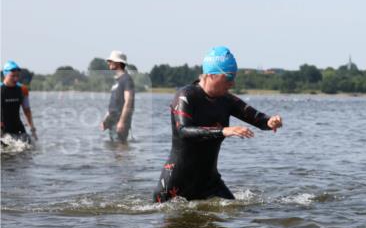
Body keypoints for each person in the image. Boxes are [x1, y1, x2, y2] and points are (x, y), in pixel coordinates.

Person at [154, 47, 283, 202]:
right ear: (211, 74)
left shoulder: (227, 100)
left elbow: (260, 120)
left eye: (234, 77)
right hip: (176, 183)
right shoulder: (186, 96)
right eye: (229, 77)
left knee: (239, 212)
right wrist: (223, 131)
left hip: (209, 183)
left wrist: (271, 122)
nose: (233, 83)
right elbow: (184, 131)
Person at [100, 50, 135, 143]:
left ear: (118, 63)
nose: (108, 63)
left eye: (111, 61)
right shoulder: (118, 80)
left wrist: (122, 122)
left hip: (119, 121)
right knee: (114, 151)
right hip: (112, 121)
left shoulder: (126, 79)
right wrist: (105, 120)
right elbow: (114, 103)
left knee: (120, 150)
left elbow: (128, 101)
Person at [1, 60, 36, 143]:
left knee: (27, 146)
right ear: (5, 74)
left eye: (17, 76)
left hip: (18, 127)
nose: (15, 78)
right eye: (12, 76)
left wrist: (32, 129)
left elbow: (27, 111)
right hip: (2, 127)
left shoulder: (23, 89)